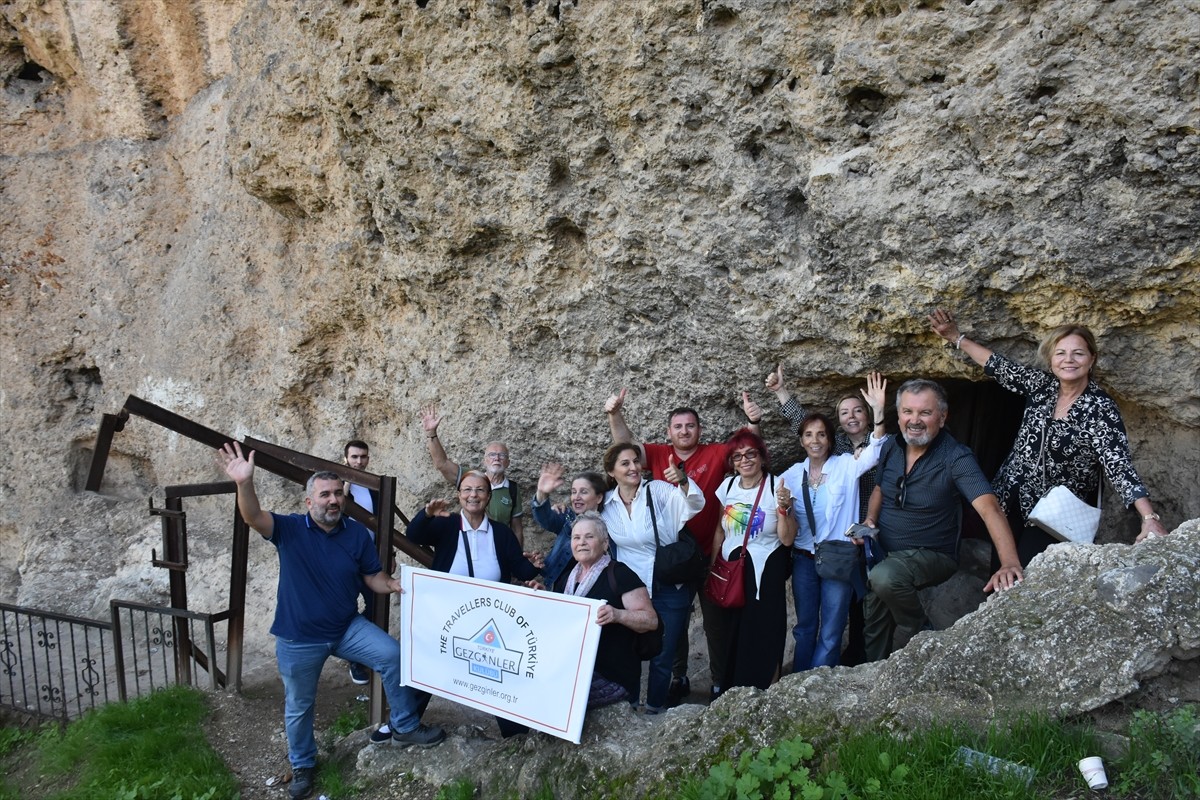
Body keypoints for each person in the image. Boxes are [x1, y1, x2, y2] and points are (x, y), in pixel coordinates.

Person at [217, 443, 443, 800]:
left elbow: (372, 576)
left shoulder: (354, 534)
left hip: (345, 628)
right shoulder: (289, 529)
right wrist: (244, 483)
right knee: (299, 704)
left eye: (338, 493)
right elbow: (253, 516)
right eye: (325, 495)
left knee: (393, 655)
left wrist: (393, 585)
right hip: (299, 637)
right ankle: (303, 765)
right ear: (310, 501)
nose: (333, 500)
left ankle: (403, 726)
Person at [928, 310, 1170, 556]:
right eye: (1061, 353)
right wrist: (956, 337)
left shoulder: (1100, 408)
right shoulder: (1042, 386)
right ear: (1051, 358)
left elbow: (1118, 465)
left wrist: (1148, 516)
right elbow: (998, 366)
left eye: (1078, 353)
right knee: (1003, 571)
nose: (1069, 360)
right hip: (1010, 499)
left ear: (1092, 359)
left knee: (1030, 573)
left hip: (1057, 512)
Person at [604, 389, 761, 702]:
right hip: (672, 563)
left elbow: (749, 452)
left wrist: (753, 421)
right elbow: (625, 446)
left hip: (711, 555)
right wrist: (615, 414)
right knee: (672, 627)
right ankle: (679, 676)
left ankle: (719, 681)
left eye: (690, 426)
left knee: (715, 624)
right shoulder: (658, 455)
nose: (685, 431)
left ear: (699, 430)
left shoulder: (716, 453)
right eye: (678, 427)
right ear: (668, 432)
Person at [857, 380, 1024, 663]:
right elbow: (880, 489)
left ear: (943, 417)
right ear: (898, 415)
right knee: (873, 619)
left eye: (925, 413)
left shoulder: (956, 457)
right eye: (908, 411)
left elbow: (990, 509)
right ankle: (873, 681)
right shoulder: (892, 448)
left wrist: (1009, 562)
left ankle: (922, 632)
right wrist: (869, 521)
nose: (915, 420)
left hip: (934, 554)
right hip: (887, 552)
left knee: (884, 578)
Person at [765, 365, 885, 666]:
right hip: (805, 558)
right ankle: (800, 683)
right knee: (805, 628)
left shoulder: (846, 463)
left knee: (832, 628)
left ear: (831, 439)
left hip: (841, 553)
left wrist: (880, 411)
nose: (815, 439)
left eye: (821, 434)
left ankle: (821, 682)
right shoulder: (792, 475)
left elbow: (875, 451)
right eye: (808, 435)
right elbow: (769, 495)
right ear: (801, 440)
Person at [405, 470, 540, 737]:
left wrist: (534, 567)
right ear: (459, 495)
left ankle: (516, 737)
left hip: (488, 619)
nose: (473, 495)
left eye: (479, 490)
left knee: (497, 674)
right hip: (449, 615)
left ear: (489, 497)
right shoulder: (447, 524)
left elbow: (520, 569)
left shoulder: (501, 533)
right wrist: (427, 514)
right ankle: (404, 723)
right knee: (430, 666)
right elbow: (413, 535)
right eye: (467, 490)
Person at [599, 442, 704, 713]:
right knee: (630, 649)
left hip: (668, 582)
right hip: (632, 589)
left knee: (663, 652)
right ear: (612, 471)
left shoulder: (656, 490)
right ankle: (629, 703)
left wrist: (682, 480)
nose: (634, 467)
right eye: (625, 463)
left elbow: (694, 504)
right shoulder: (606, 505)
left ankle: (655, 707)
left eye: (636, 461)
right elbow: (580, 523)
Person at [709, 429, 796, 690]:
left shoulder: (777, 486)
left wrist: (783, 508)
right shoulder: (727, 486)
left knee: (764, 630)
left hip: (764, 572)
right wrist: (713, 569)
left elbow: (788, 538)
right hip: (732, 571)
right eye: (737, 456)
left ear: (762, 457)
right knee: (733, 632)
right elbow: (719, 531)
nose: (744, 460)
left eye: (750, 454)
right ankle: (733, 689)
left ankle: (768, 687)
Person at [553, 512, 658, 707]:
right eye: (576, 537)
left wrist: (617, 615)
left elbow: (651, 620)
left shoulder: (620, 574)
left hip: (613, 677)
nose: (582, 542)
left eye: (589, 537)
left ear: (605, 543)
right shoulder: (565, 579)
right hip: (576, 671)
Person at [420, 405, 525, 546]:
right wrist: (431, 434)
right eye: (492, 455)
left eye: (502, 455)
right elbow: (442, 463)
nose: (497, 458)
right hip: (468, 543)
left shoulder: (512, 489)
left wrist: (517, 559)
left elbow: (517, 528)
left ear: (508, 462)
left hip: (497, 547)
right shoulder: (470, 478)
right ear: (485, 460)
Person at [342, 439, 382, 686]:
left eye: (363, 457)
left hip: (369, 556)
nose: (359, 461)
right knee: (344, 606)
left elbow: (381, 521)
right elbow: (336, 507)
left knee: (374, 604)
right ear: (345, 458)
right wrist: (345, 480)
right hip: (343, 557)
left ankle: (362, 653)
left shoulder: (374, 486)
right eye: (354, 457)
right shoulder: (335, 484)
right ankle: (353, 659)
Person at [530, 463, 608, 590]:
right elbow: (546, 519)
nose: (576, 497)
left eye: (583, 492)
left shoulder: (608, 526)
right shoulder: (567, 517)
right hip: (557, 588)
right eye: (573, 492)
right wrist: (542, 493)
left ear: (599, 497)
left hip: (594, 591)